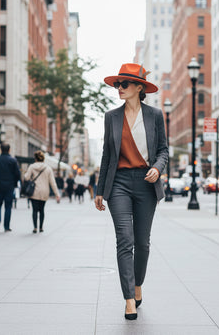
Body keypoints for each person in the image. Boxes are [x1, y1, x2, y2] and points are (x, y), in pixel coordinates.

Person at [95, 63, 168, 320]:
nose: (119, 88)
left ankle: (138, 285)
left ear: (139, 87)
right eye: (117, 84)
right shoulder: (111, 117)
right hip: (119, 184)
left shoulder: (155, 115)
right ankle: (129, 298)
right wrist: (99, 190)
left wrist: (158, 169)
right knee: (124, 241)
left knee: (142, 243)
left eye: (124, 84)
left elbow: (163, 150)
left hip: (147, 184)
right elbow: (107, 155)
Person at [24, 151, 61, 233]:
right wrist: (57, 194)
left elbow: (26, 178)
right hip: (45, 192)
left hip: (34, 191)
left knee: (34, 210)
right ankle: (41, 227)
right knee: (41, 210)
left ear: (35, 158)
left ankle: (35, 228)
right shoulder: (48, 168)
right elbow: (52, 182)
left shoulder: (32, 167)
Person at [0, 143, 21, 232]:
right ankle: (6, 226)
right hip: (9, 186)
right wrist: (14, 183)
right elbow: (18, 174)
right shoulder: (13, 161)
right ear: (9, 150)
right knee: (8, 206)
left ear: (0, 150)